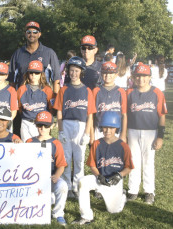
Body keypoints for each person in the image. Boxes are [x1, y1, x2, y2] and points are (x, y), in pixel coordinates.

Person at [72, 111, 134, 225]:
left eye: (111, 128)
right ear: (101, 128)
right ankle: (86, 216)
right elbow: (92, 165)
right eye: (105, 127)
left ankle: (122, 197)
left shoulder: (123, 146)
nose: (108, 131)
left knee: (113, 211)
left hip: (114, 181)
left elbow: (128, 167)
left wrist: (120, 175)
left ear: (117, 128)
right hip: (99, 179)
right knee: (82, 182)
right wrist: (98, 176)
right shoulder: (96, 143)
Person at [53, 56, 96, 199]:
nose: (74, 74)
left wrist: (87, 133)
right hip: (66, 124)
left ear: (81, 72)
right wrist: (60, 131)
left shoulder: (87, 91)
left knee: (78, 158)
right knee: (66, 157)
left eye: (77, 71)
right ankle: (67, 186)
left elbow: (90, 114)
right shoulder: (64, 90)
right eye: (71, 70)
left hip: (81, 125)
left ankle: (78, 186)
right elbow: (59, 111)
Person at [127, 64, 167, 204]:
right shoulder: (129, 92)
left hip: (151, 131)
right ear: (133, 77)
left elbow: (162, 115)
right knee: (134, 161)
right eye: (138, 76)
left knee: (148, 162)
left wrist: (160, 136)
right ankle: (132, 190)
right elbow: (124, 114)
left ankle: (149, 191)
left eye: (144, 76)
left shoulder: (157, 92)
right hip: (132, 130)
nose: (141, 79)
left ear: (149, 77)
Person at [26, 111, 68, 226]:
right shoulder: (29, 142)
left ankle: (58, 214)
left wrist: (57, 176)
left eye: (46, 125)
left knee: (62, 186)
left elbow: (61, 165)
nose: (43, 128)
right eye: (40, 125)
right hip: (33, 179)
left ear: (52, 126)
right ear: (35, 125)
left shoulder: (56, 143)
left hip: (51, 177)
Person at [8, 21, 61, 94]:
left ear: (39, 34)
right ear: (25, 34)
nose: (31, 34)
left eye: (35, 32)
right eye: (28, 32)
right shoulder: (17, 53)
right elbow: (11, 80)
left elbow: (56, 78)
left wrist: (55, 98)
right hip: (23, 97)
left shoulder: (49, 53)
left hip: (43, 98)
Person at [17, 60, 53, 142]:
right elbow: (19, 108)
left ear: (41, 74)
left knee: (42, 147)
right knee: (27, 147)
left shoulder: (47, 90)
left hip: (42, 124)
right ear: (27, 74)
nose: (33, 75)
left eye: (37, 73)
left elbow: (51, 108)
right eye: (31, 73)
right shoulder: (22, 89)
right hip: (26, 122)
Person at [92, 61, 127, 142]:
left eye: (111, 73)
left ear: (116, 75)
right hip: (99, 129)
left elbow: (124, 115)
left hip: (116, 129)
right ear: (101, 74)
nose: (107, 75)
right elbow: (92, 115)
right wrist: (92, 133)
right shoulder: (96, 91)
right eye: (105, 73)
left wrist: (123, 134)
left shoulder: (121, 91)